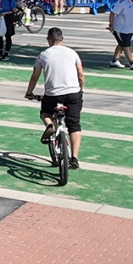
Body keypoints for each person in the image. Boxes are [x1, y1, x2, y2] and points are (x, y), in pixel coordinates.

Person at [25, 27, 85, 169]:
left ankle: (50, 125)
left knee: (45, 112)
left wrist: (29, 92)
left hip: (53, 94)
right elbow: (80, 74)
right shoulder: (72, 53)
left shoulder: (43, 55)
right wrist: (80, 90)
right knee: (74, 125)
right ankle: (74, 158)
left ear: (48, 40)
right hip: (73, 94)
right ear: (62, 39)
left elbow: (35, 77)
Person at [107, 0, 133, 68]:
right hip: (121, 29)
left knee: (121, 44)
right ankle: (132, 62)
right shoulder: (122, 2)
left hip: (130, 29)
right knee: (126, 45)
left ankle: (114, 60)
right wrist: (111, 25)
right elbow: (113, 13)